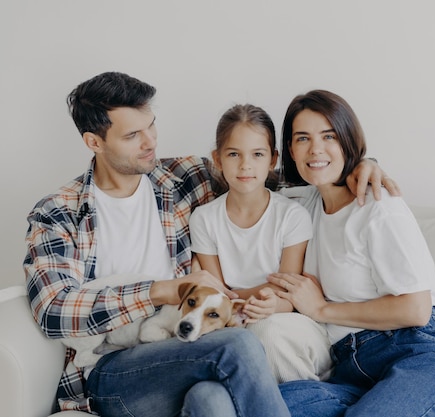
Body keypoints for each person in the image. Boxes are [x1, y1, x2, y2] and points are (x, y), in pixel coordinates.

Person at [23, 72, 398, 416]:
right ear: (94, 142)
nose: (150, 142)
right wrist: (160, 291)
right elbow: (54, 310)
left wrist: (360, 165)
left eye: (150, 125)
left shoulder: (184, 177)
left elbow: (276, 172)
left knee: (212, 401)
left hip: (190, 349)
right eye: (132, 135)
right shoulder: (58, 213)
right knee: (238, 344)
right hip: (114, 368)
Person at [267, 90, 435, 417]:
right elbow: (247, 175)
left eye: (330, 136)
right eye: (302, 138)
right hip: (351, 374)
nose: (316, 149)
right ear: (290, 152)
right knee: (257, 405)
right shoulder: (305, 204)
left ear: (349, 140)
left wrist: (322, 309)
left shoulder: (378, 207)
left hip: (420, 355)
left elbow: (416, 309)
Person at [189, 104, 333, 382]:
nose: (245, 165)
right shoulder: (204, 218)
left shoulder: (292, 215)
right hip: (232, 321)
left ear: (272, 159)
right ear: (217, 159)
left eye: (257, 154)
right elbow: (217, 294)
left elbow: (288, 290)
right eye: (234, 154)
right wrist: (254, 295)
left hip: (286, 320)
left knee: (266, 331)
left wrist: (255, 299)